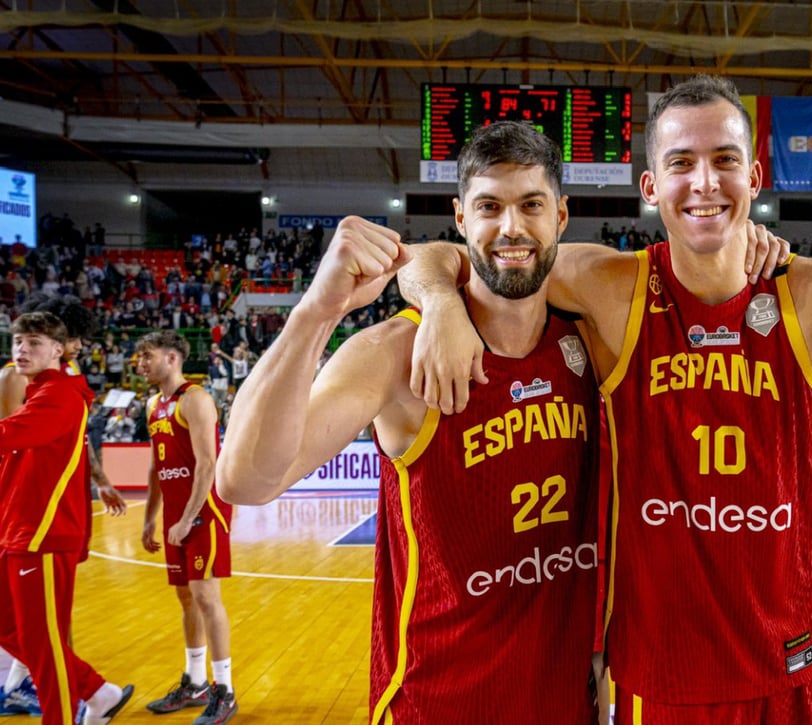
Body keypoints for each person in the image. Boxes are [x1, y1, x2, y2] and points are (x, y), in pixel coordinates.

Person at [399, 75, 812, 722]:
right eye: (682, 163)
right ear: (651, 187)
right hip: (656, 680)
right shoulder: (610, 284)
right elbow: (442, 255)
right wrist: (438, 302)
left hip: (786, 669)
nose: (705, 182)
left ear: (755, 176)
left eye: (725, 161)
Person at [216, 123, 611, 723]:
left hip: (566, 699)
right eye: (488, 206)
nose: (511, 227)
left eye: (530, 204)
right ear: (459, 216)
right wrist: (315, 313)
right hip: (437, 701)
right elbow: (244, 482)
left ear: (560, 215)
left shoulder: (591, 330)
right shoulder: (395, 352)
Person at [0, 312, 133, 725]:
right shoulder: (41, 389)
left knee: (44, 645)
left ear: (59, 350)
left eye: (33, 342)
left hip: (42, 533)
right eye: (18, 341)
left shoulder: (59, 394)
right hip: (17, 528)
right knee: (10, 630)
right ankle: (97, 691)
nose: (22, 349)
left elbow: (9, 435)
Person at [135, 331, 238, 724]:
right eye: (139, 358)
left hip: (204, 512)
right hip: (176, 517)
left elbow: (208, 464)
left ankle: (224, 688)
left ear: (173, 357)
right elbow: (156, 467)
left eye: (148, 356)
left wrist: (187, 517)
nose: (141, 364)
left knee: (206, 596)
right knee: (185, 598)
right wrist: (150, 518)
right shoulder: (151, 405)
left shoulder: (194, 399)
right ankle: (195, 682)